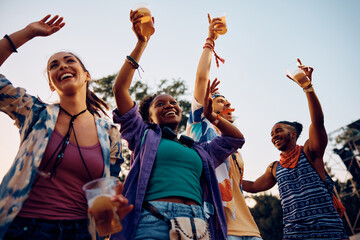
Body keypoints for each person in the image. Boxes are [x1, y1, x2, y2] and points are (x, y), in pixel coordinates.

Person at [110, 9, 245, 240]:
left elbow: (235, 139)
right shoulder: (142, 135)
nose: (170, 105)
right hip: (152, 219)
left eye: (173, 102)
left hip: (197, 224)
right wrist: (141, 43)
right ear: (148, 116)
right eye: (160, 104)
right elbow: (120, 90)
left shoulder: (199, 149)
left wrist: (214, 118)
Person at [0, 15, 133, 240]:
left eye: (70, 61)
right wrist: (28, 32)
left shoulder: (110, 135)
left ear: (86, 76)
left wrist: (113, 209)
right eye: (54, 65)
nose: (62, 65)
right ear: (51, 82)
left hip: (81, 232)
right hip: (25, 228)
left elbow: (107, 202)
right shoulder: (34, 112)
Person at [242, 59, 349, 239]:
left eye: (278, 131)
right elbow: (252, 186)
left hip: (328, 231)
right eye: (271, 134)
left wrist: (307, 88)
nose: (273, 136)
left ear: (293, 133)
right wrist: (225, 175)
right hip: (294, 234)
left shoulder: (310, 152)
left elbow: (318, 122)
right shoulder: (275, 167)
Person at [186, 14, 262, 240]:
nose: (227, 102)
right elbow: (201, 79)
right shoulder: (200, 125)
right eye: (220, 99)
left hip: (248, 226)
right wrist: (210, 41)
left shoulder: (231, 142)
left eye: (228, 100)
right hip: (219, 226)